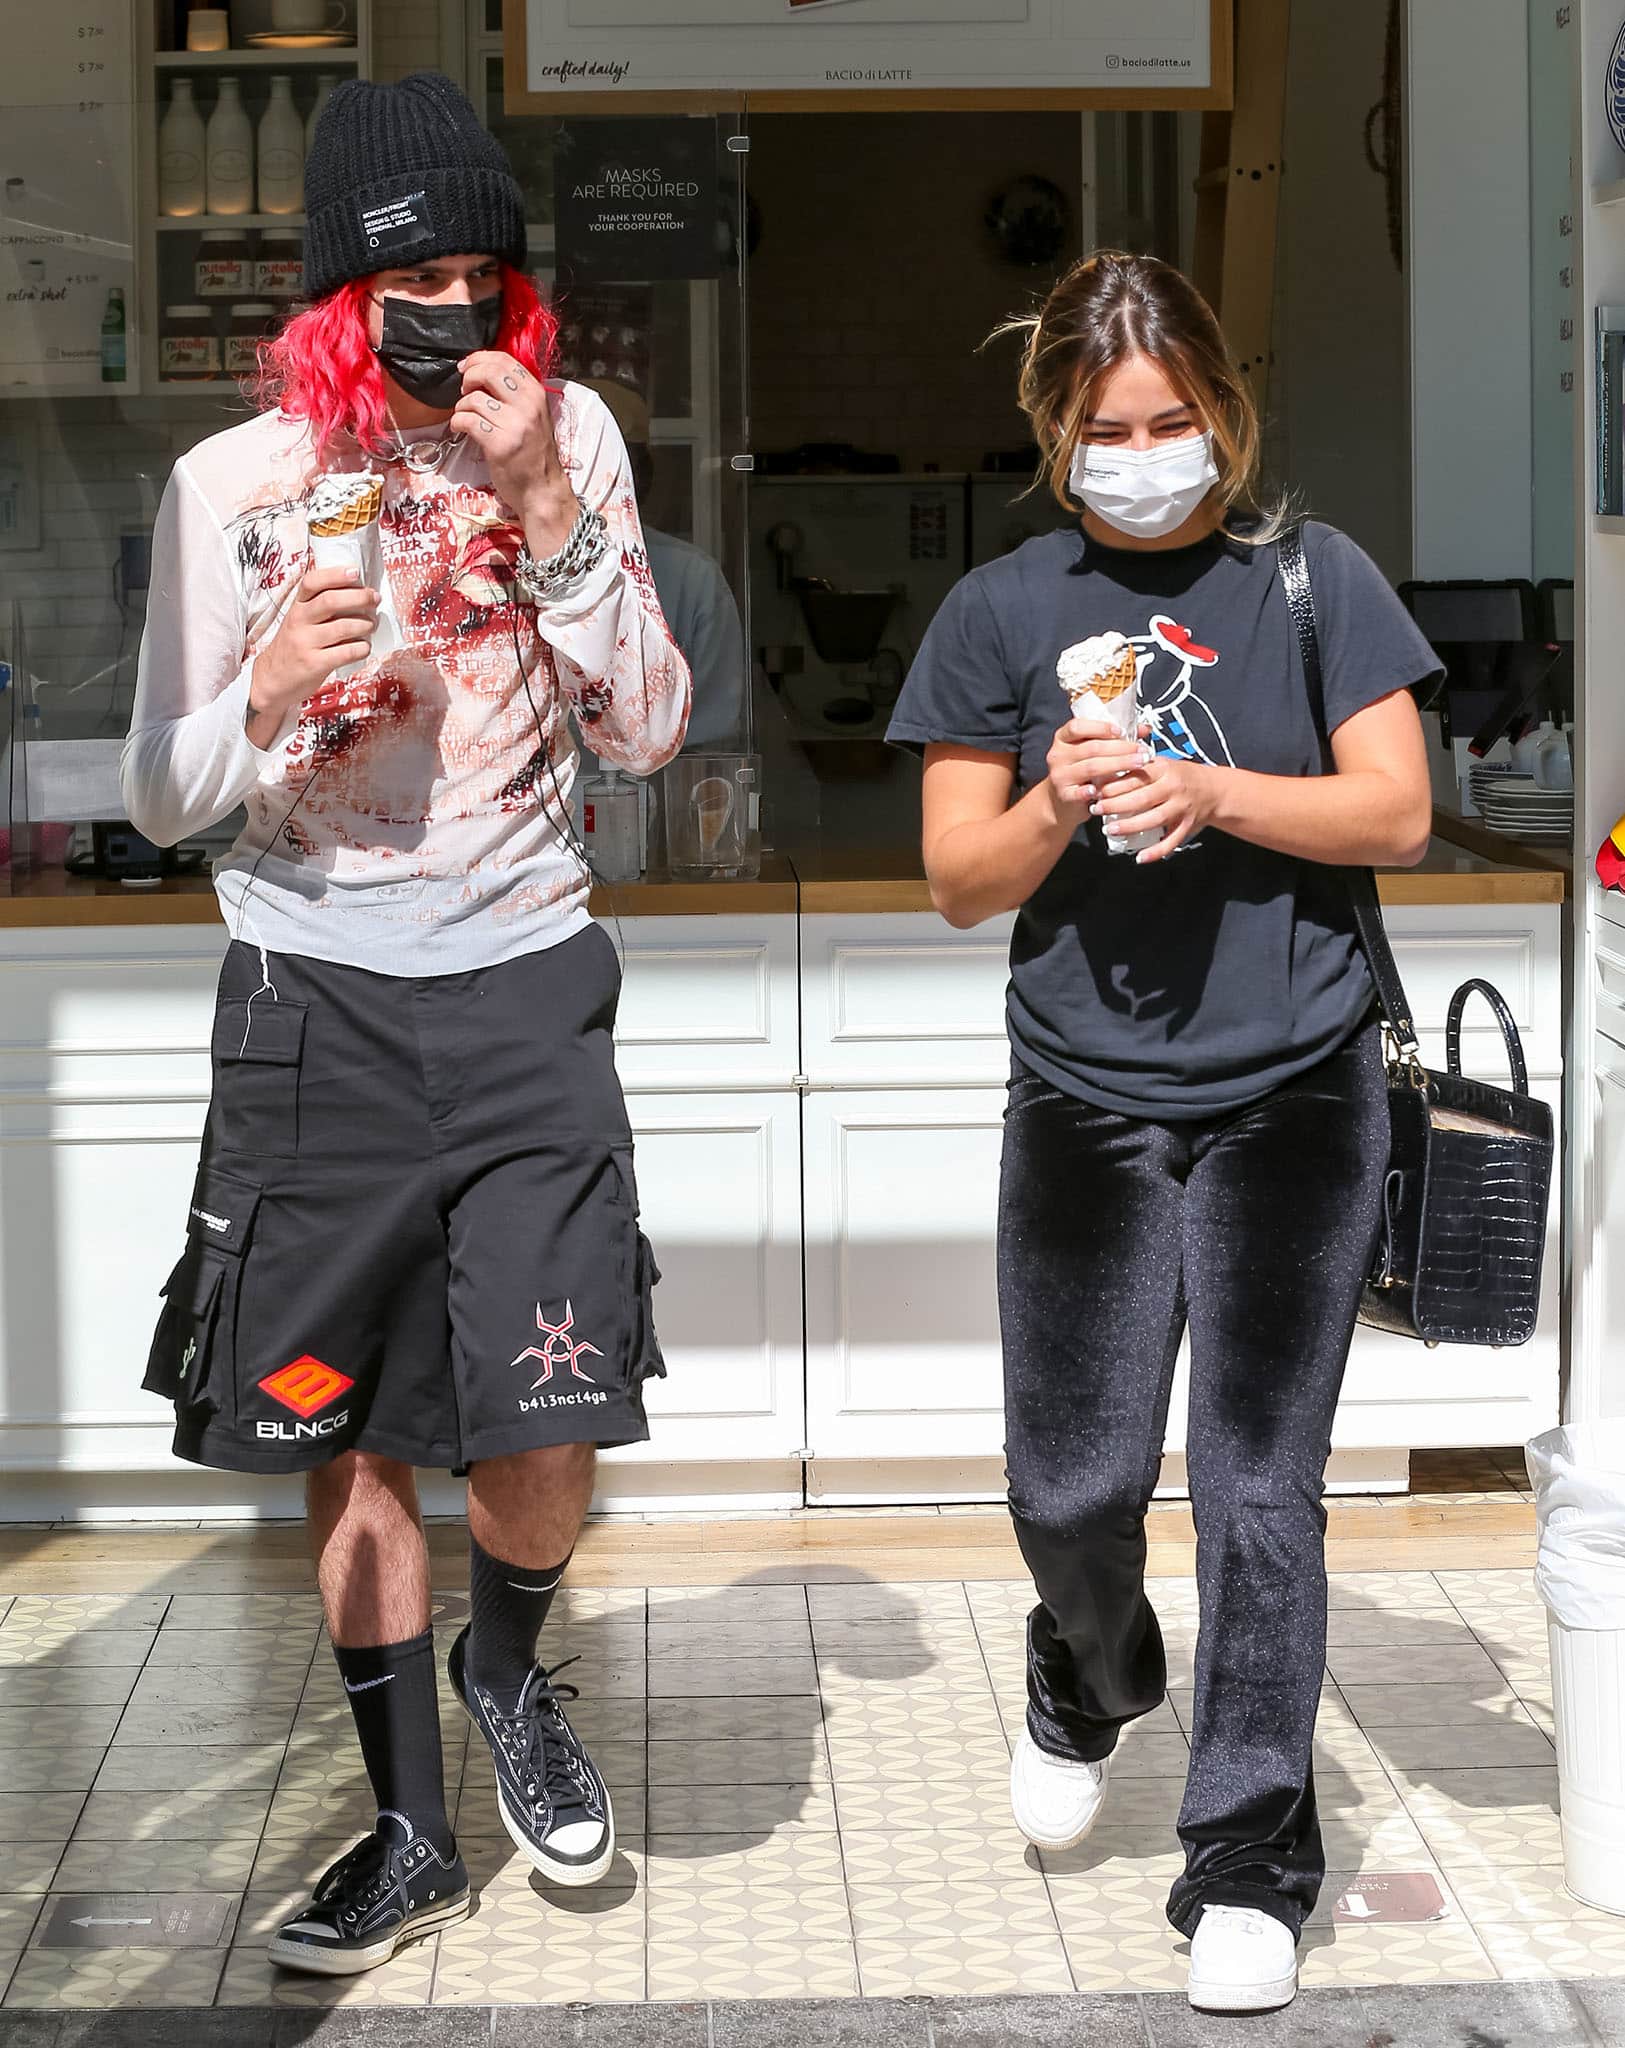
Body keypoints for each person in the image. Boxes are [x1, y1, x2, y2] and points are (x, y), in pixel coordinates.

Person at [121, 73, 690, 1975]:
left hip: (526, 972)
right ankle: (409, 1827)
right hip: (312, 996)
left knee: (553, 1397)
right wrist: (266, 693)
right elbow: (160, 786)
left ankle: (508, 1662)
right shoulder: (233, 485)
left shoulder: (572, 436)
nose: (448, 308)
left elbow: (650, 728)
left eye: (477, 273)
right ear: (331, 298)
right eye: (408, 279)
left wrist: (540, 504)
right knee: (341, 1427)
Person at [886, 250, 1437, 2016]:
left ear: (1222, 407)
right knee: (1074, 1483)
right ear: (1056, 428)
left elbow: (1400, 810)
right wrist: (1058, 783)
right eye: (1108, 425)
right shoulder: (999, 607)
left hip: (1296, 1091)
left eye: (1173, 418)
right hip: (1084, 1097)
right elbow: (959, 881)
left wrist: (1212, 790)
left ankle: (1248, 1854)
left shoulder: (1309, 577)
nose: (1143, 449)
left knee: (1262, 1489)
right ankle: (1087, 1662)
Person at [582, 377, 748, 751]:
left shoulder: (692, 578)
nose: (591, 481)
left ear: (644, 475)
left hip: (650, 803)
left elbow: (711, 740)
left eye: (615, 463)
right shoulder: (495, 569)